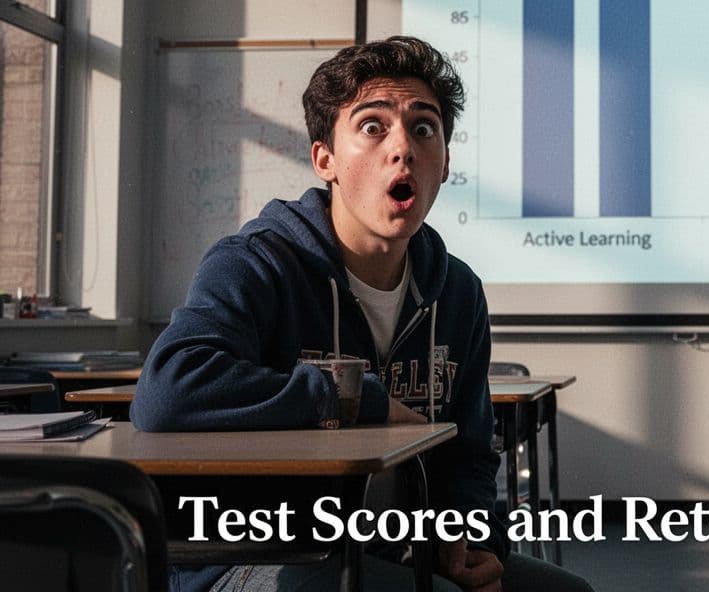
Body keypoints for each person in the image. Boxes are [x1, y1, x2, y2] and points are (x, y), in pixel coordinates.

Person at [132, 36, 593, 592]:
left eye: (424, 129)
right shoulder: (257, 264)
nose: (403, 148)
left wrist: (468, 542)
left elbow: (467, 454)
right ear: (324, 158)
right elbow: (166, 391)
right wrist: (357, 400)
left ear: (444, 164)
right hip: (253, 555)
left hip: (391, 548)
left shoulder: (459, 292)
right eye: (373, 127)